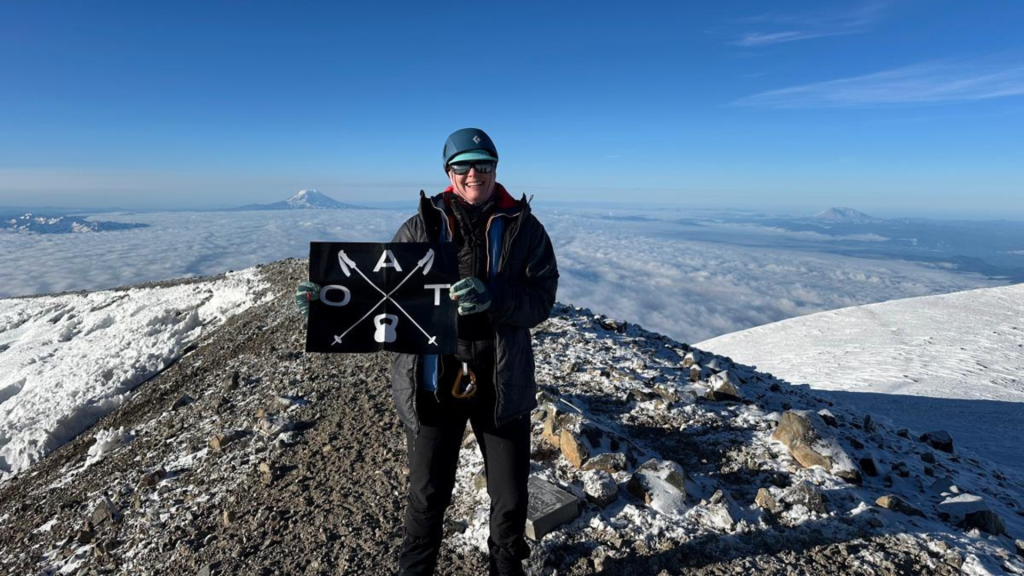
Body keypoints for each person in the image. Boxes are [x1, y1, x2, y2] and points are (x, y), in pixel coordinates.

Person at [295, 128, 558, 575]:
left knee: (511, 500)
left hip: (502, 379)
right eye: (463, 165)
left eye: (483, 164)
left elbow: (541, 299)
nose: (473, 173)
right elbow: (384, 291)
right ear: (448, 172)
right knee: (427, 494)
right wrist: (329, 300)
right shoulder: (421, 225)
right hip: (432, 381)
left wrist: (494, 296)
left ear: (497, 167)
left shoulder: (524, 228)